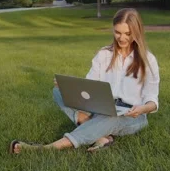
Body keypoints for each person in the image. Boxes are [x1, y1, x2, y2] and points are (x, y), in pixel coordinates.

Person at [9, 8, 160, 153]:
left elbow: (152, 100)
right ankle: (101, 137)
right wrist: (69, 87)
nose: (122, 38)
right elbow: (90, 86)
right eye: (117, 32)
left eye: (128, 33)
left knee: (110, 119)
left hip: (132, 115)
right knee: (58, 92)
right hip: (102, 106)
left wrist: (142, 109)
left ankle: (49, 148)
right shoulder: (104, 54)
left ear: (137, 32)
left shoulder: (148, 60)